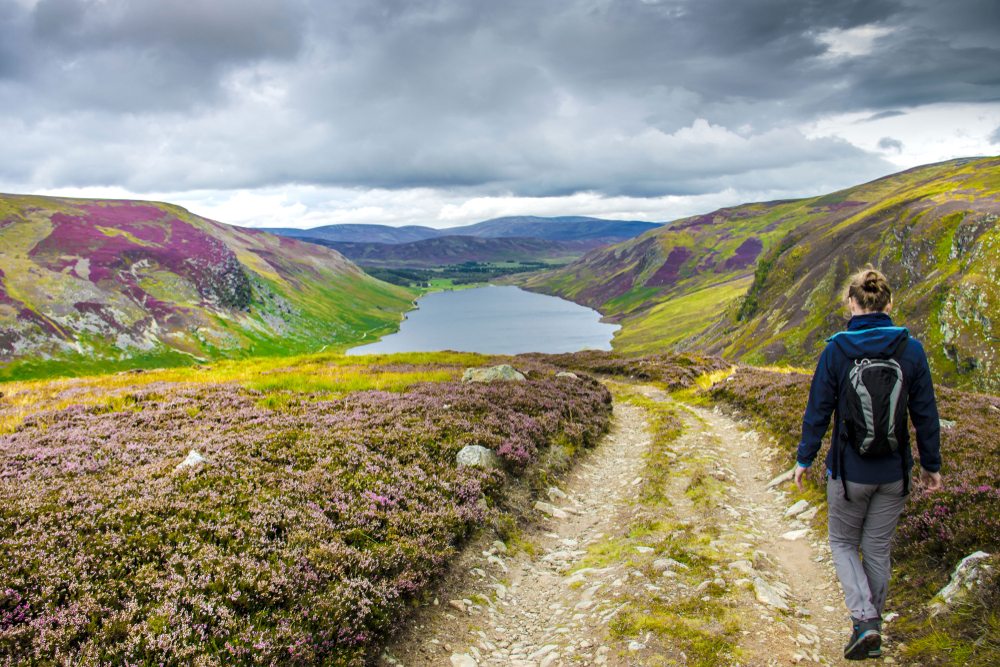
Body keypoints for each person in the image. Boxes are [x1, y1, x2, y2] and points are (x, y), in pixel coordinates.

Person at [794, 267, 942, 661]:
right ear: (889, 304)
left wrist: (804, 458)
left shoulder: (837, 350)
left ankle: (864, 621)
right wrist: (932, 465)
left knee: (843, 542)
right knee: (877, 550)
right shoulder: (911, 350)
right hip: (894, 474)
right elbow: (925, 413)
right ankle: (870, 625)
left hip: (848, 475)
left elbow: (818, 411)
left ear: (852, 304)